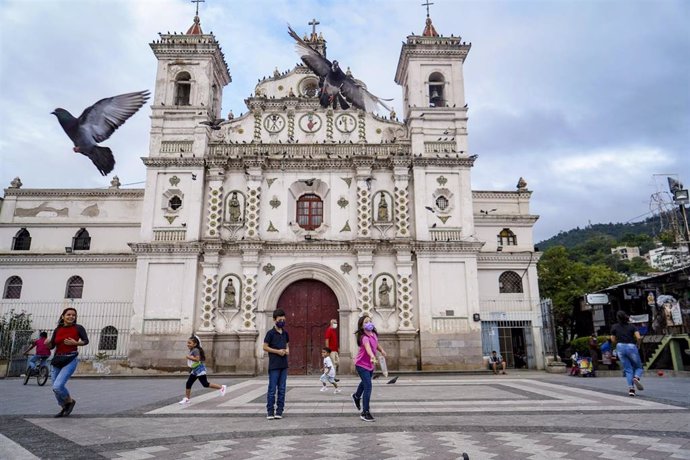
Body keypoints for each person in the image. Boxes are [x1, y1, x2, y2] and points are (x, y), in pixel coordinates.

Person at [45, 307, 89, 418]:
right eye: (68, 314)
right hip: (57, 360)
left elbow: (86, 341)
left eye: (73, 315)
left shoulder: (78, 328)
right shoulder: (57, 330)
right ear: (63, 316)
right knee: (55, 389)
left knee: (58, 386)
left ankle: (70, 401)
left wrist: (76, 343)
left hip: (70, 359)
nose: (71, 317)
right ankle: (64, 407)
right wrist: (47, 344)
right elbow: (52, 346)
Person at [352, 314, 386, 422]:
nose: (369, 323)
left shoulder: (373, 334)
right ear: (361, 326)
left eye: (370, 321)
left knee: (365, 382)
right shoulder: (364, 337)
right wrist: (372, 355)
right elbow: (368, 348)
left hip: (370, 364)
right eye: (366, 322)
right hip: (361, 364)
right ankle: (365, 412)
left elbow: (376, 344)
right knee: (368, 386)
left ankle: (356, 396)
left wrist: (382, 350)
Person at [179, 335, 226, 405]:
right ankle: (187, 399)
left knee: (205, 384)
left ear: (195, 344)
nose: (188, 344)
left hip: (199, 370)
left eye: (189, 343)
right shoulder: (193, 350)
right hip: (196, 369)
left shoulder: (195, 350)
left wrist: (188, 357)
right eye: (188, 343)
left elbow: (197, 359)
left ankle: (221, 387)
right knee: (189, 383)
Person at [611, 310, 644, 397]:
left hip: (620, 347)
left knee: (628, 369)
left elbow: (613, 340)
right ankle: (636, 378)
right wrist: (638, 345)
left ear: (617, 318)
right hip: (631, 347)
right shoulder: (632, 326)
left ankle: (631, 390)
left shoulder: (614, 327)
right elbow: (639, 337)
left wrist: (617, 344)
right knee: (639, 367)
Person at [263, 308, 289, 420]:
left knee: (282, 389)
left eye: (283, 319)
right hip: (274, 365)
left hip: (284, 365)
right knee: (272, 389)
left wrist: (287, 351)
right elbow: (264, 347)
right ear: (274, 320)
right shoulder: (270, 333)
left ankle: (279, 410)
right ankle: (270, 411)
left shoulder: (285, 333)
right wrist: (277, 351)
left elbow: (287, 346)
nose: (282, 321)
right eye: (280, 319)